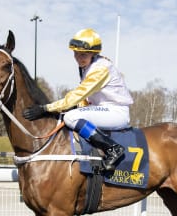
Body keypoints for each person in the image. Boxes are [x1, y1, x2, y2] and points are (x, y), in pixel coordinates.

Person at [23, 28, 133, 171]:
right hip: (104, 108)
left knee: (70, 117)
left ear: (93, 53)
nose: (78, 57)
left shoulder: (100, 69)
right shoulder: (87, 66)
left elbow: (76, 96)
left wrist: (45, 108)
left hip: (116, 112)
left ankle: (112, 148)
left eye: (83, 54)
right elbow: (84, 98)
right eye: (76, 53)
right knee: (70, 113)